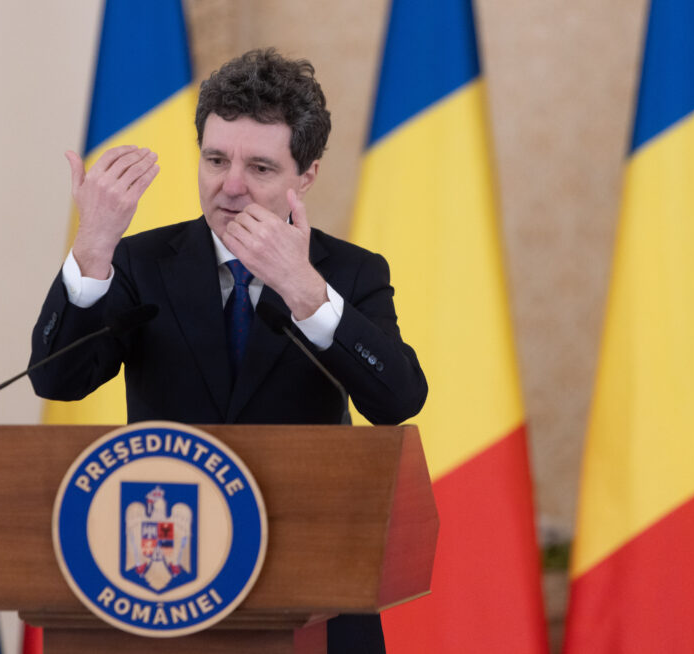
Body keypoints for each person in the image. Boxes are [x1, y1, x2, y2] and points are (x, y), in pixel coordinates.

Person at [30, 48, 426, 653]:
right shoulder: (137, 262)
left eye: (260, 168)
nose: (230, 186)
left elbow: (397, 400)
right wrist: (92, 245)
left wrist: (306, 292)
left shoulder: (349, 272)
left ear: (306, 175)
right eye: (215, 160)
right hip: (170, 581)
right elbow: (57, 380)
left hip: (314, 584)